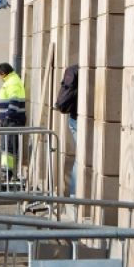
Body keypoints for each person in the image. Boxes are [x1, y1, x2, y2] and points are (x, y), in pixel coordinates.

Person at [0, 62, 26, 177]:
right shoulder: (11, 81)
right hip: (10, 120)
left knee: (9, 147)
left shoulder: (12, 82)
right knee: (7, 146)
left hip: (12, 120)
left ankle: (8, 172)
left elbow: (14, 101)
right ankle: (7, 171)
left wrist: (8, 116)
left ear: (3, 73)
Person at [55, 64, 78, 196]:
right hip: (76, 119)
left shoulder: (73, 70)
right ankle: (74, 195)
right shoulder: (77, 71)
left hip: (74, 118)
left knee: (79, 158)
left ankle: (74, 194)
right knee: (80, 158)